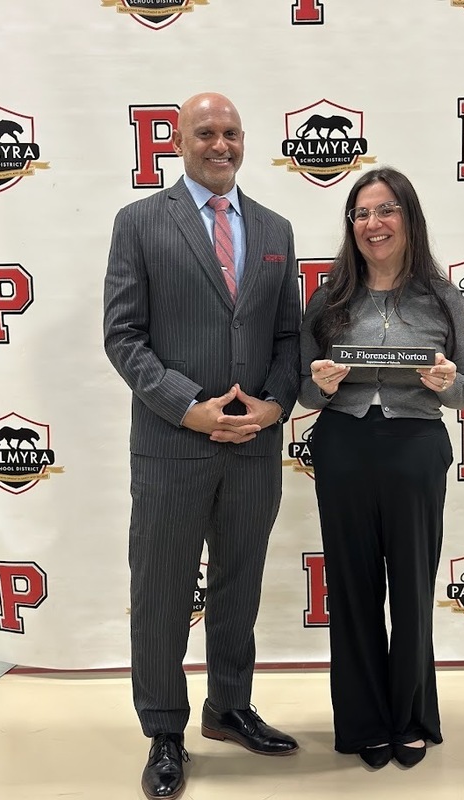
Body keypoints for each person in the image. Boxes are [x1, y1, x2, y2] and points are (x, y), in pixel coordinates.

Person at [104, 92, 301, 800]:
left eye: (231, 133)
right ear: (178, 142)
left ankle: (228, 706)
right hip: (171, 446)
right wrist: (187, 409)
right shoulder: (139, 223)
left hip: (253, 444)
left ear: (244, 141)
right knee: (159, 592)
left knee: (238, 584)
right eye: (205, 133)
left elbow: (287, 336)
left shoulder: (275, 227)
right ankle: (164, 730)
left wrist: (275, 403)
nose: (220, 145)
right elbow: (123, 335)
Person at [299, 167, 464, 770]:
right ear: (350, 226)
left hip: (415, 449)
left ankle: (411, 717)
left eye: (386, 211)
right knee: (352, 590)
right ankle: (363, 720)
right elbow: (304, 391)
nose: (373, 224)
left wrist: (449, 384)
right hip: (343, 446)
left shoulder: (443, 297)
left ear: (408, 218)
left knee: (411, 586)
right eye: (361, 214)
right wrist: (320, 386)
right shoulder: (328, 299)